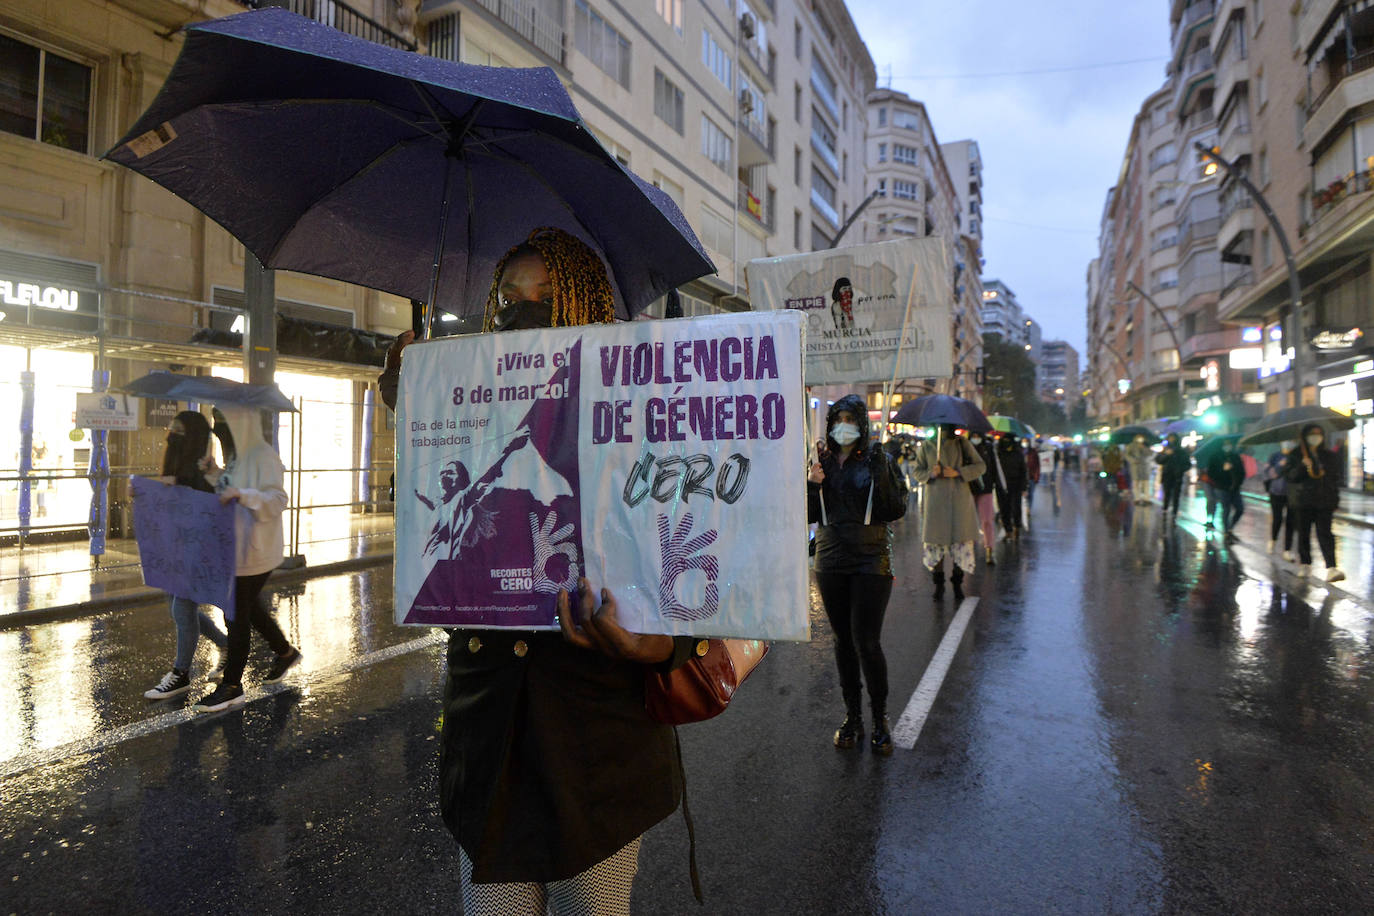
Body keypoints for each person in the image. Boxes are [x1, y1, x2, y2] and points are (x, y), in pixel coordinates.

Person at [380, 227, 702, 913]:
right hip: (490, 741)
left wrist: (651, 644)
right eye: (509, 301)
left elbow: (691, 574)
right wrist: (414, 414)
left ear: (585, 310)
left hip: (598, 748)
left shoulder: (639, 424)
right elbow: (437, 566)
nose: (524, 313)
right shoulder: (472, 424)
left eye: (548, 298)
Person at [807, 395, 907, 755]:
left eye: (850, 418)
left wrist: (881, 473)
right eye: (838, 418)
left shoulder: (880, 458)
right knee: (842, 642)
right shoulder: (820, 462)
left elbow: (895, 509)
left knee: (867, 642)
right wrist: (811, 483)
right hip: (831, 559)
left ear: (862, 423)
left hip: (871, 562)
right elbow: (806, 513)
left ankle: (880, 718)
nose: (843, 424)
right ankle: (853, 717)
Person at [192, 404, 301, 712]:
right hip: (236, 548)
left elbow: (277, 499)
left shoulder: (263, 455)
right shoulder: (238, 456)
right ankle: (284, 652)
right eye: (218, 426)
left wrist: (243, 495)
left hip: (257, 549)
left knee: (235, 614)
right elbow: (230, 490)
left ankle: (232, 685)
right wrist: (214, 474)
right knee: (248, 608)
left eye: (225, 425)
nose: (221, 432)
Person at [143, 410, 230, 700]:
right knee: (179, 608)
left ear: (193, 434)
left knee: (182, 608)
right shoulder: (177, 462)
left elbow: (210, 506)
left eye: (180, 429)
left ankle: (180, 673)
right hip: (177, 546)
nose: (173, 434)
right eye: (172, 428)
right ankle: (226, 644)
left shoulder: (203, 466)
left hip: (199, 547)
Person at [912, 425, 985, 599]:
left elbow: (980, 466)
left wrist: (958, 472)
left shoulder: (962, 443)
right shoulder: (927, 445)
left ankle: (958, 583)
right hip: (936, 503)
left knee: (959, 544)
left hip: (959, 501)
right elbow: (917, 471)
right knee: (936, 545)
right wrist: (931, 473)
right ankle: (939, 584)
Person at [1285, 423, 1345, 582]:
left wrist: (1335, 499)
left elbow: (1334, 479)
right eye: (1312, 433)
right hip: (1303, 502)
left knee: (1325, 533)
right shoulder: (1295, 455)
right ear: (1305, 436)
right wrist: (1301, 467)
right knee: (1303, 533)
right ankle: (1305, 563)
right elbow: (1290, 477)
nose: (1315, 436)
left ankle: (1332, 567)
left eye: (1319, 433)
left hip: (1324, 502)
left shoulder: (1328, 455)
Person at [967, 430, 1002, 565]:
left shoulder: (988, 447)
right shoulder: (965, 447)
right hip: (969, 487)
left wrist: (996, 484)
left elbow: (994, 466)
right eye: (973, 435)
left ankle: (989, 550)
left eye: (978, 435)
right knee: (969, 521)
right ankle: (969, 549)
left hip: (986, 488)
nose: (976, 437)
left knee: (987, 520)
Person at [1206, 439, 1246, 542]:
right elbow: (1211, 473)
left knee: (1240, 509)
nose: (1228, 447)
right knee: (1226, 509)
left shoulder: (1235, 456)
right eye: (1225, 445)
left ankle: (1230, 529)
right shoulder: (1215, 457)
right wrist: (1222, 470)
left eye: (1229, 444)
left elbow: (1242, 471)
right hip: (1222, 488)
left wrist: (1238, 480)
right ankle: (1227, 532)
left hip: (1235, 488)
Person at [1264, 442, 1295, 559]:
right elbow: (1270, 473)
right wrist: (1280, 465)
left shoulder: (1295, 457)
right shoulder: (1274, 456)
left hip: (1292, 494)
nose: (1288, 443)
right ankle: (1273, 540)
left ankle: (1287, 549)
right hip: (1276, 492)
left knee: (1291, 522)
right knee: (1277, 518)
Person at [994, 433, 1028, 538]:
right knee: (1004, 509)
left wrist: (1024, 487)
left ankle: (1017, 526)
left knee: (1016, 508)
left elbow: (1023, 471)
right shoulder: (998, 454)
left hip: (1016, 486)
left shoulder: (1018, 454)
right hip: (1001, 486)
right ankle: (1008, 530)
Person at [1156, 433, 1191, 518]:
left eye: (1173, 438)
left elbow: (1188, 464)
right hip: (1167, 475)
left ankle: (1175, 511)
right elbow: (1159, 460)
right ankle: (1165, 508)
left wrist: (1181, 469)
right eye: (1170, 438)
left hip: (1177, 476)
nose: (1171, 440)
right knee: (1167, 493)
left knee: (1176, 495)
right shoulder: (1165, 450)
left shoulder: (1182, 451)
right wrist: (1166, 455)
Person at [1124, 434, 1154, 505]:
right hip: (1135, 467)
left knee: (1146, 483)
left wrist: (1144, 448)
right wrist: (1133, 460)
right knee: (1136, 484)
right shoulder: (1131, 446)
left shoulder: (1146, 445)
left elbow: (1151, 454)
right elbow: (1127, 455)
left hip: (1144, 467)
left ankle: (1147, 498)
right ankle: (1137, 498)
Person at [1023, 437, 1040, 524]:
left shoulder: (1033, 452)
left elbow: (1037, 465)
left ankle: (1028, 509)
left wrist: (1036, 477)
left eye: (1026, 441)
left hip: (1031, 477)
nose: (1024, 443)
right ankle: (1024, 509)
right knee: (1023, 495)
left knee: (1030, 494)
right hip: (1022, 478)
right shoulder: (1019, 451)